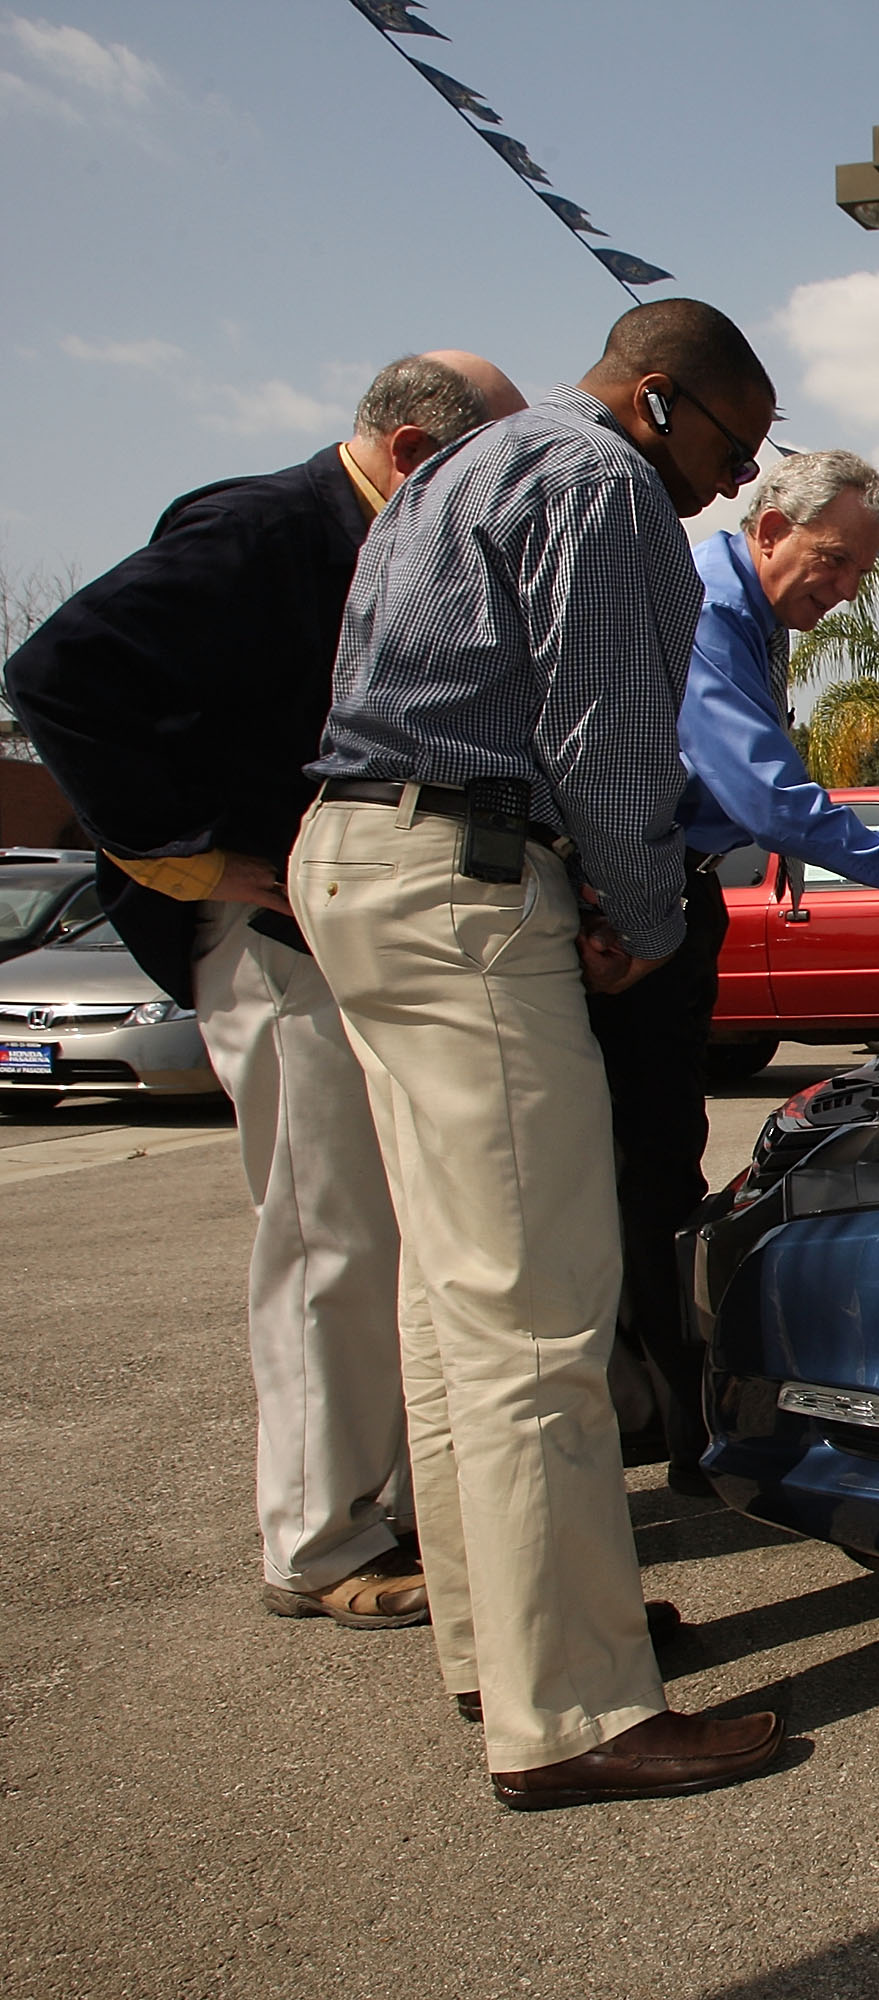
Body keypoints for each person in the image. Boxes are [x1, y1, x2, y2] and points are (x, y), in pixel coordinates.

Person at [292, 299, 784, 1809]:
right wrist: (637, 913)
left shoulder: (467, 467)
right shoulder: (603, 483)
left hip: (357, 866)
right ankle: (574, 1713)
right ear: (657, 401)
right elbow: (609, 726)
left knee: (456, 1307)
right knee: (539, 1320)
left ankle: (495, 1646)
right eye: (731, 448)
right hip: (466, 888)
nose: (731, 490)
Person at [3, 351, 524, 1632]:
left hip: (341, 926)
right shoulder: (266, 526)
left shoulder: (367, 535)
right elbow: (61, 672)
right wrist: (196, 859)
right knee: (326, 1231)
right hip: (272, 933)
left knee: (382, 1230)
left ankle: (380, 1498)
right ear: (411, 454)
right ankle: (320, 1536)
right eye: (484, 470)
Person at [596, 448, 879, 1491]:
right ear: (766, 529)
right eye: (832, 560)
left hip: (673, 895)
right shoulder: (709, 614)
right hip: (634, 909)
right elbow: (766, 797)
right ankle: (672, 1434)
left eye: (856, 575)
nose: (842, 591)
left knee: (655, 1165)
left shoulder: (749, 621)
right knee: (639, 1177)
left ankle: (657, 1415)